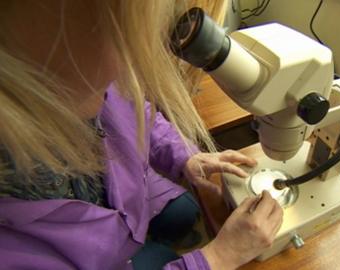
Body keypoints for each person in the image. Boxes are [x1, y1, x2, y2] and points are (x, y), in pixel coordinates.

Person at [0, 1, 283, 269]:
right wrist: (219, 257)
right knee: (163, 255)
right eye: (120, 33)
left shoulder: (72, 78)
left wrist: (184, 157)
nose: (132, 63)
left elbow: (133, 113)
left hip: (129, 209)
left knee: (186, 211)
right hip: (99, 257)